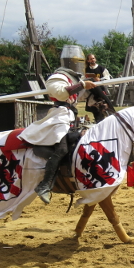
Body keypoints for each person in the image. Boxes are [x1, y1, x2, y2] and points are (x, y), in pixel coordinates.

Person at [19, 67, 96, 204]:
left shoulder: (73, 81)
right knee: (62, 150)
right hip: (58, 119)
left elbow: (82, 94)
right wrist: (82, 84)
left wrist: (92, 84)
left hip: (70, 118)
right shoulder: (56, 78)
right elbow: (61, 94)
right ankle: (45, 185)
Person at [84, 53, 115, 122]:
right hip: (90, 93)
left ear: (95, 59)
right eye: (90, 59)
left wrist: (100, 80)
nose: (92, 60)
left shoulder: (101, 69)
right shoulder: (86, 70)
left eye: (93, 58)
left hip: (101, 91)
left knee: (104, 109)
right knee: (96, 112)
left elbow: (108, 78)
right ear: (88, 60)